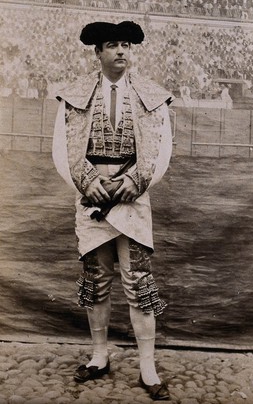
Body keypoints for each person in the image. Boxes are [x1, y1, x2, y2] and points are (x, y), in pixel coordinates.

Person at [52, 21, 173, 400]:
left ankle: (147, 368)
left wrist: (132, 184)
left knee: (139, 283)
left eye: (126, 45)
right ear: (97, 52)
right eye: (112, 45)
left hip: (133, 198)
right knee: (96, 281)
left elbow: (162, 150)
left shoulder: (151, 94)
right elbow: (62, 148)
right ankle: (100, 355)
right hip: (91, 196)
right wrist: (87, 184)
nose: (121, 51)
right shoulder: (74, 95)